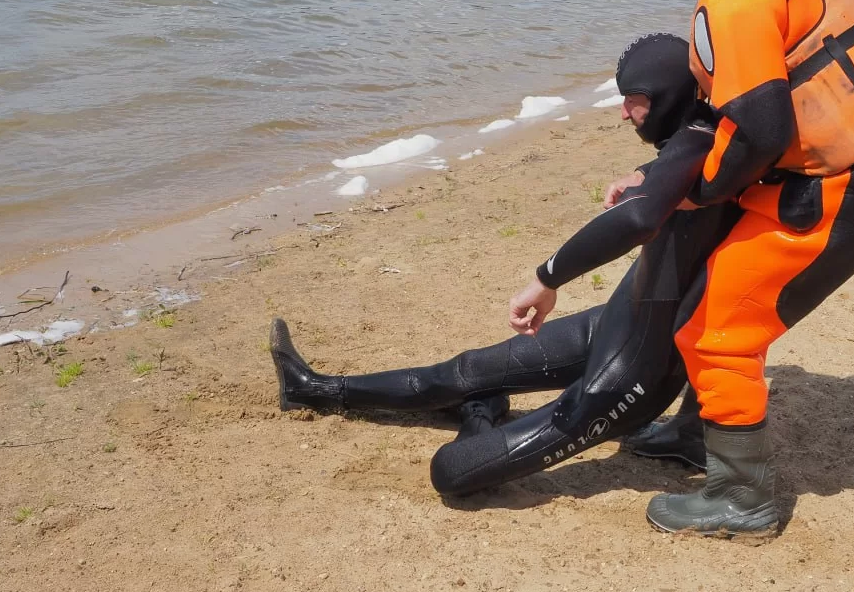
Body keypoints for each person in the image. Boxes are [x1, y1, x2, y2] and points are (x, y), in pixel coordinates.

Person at [269, 33, 736, 496]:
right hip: (616, 322)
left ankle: (480, 411)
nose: (623, 113)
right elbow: (675, 175)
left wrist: (546, 279)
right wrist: (645, 174)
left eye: (633, 100)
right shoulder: (710, 144)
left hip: (631, 375)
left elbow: (638, 219)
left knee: (453, 471)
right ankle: (314, 389)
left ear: (665, 96)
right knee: (466, 370)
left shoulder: (700, 141)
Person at [629, 0, 854, 537]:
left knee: (717, 331)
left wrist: (700, 192)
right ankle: (699, 435)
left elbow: (760, 129)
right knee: (711, 292)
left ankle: (744, 497)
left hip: (847, 189)